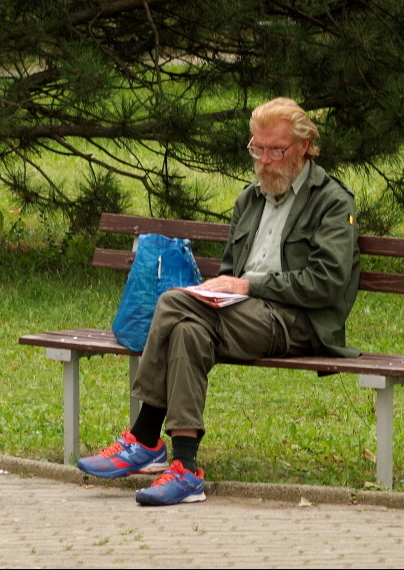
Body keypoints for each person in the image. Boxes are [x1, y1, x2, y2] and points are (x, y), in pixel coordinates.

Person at [77, 97, 362, 505]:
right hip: (242, 316)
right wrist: (226, 291)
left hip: (297, 322)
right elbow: (231, 271)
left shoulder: (331, 200)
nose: (264, 161)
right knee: (187, 331)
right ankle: (185, 469)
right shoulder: (250, 199)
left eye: (276, 150)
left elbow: (327, 282)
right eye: (257, 149)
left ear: (303, 146)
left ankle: (144, 436)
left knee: (173, 303)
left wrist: (250, 286)